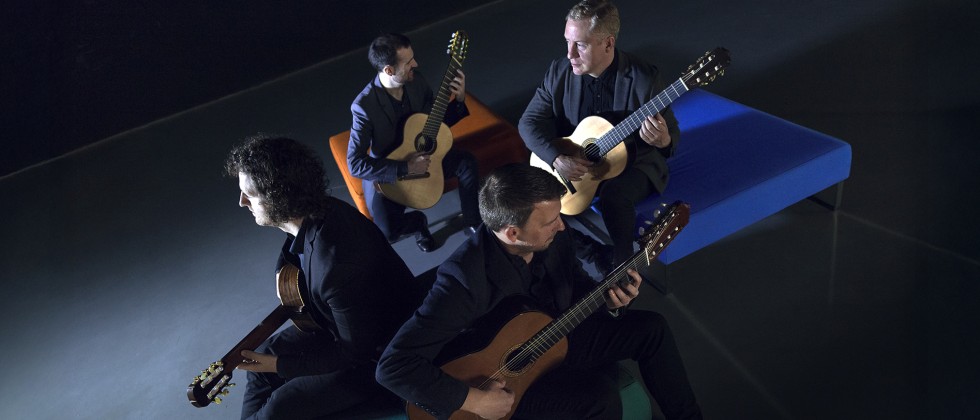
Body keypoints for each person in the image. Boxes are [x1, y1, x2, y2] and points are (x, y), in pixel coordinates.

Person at [376, 163, 702, 419]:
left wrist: (613, 302)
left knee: (652, 328)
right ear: (513, 232)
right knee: (599, 400)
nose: (561, 226)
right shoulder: (463, 281)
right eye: (550, 221)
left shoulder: (554, 235)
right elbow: (393, 367)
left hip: (558, 334)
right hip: (507, 382)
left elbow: (576, 285)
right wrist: (477, 401)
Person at [226, 134, 423, 419]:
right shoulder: (320, 209)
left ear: (278, 196)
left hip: (379, 356)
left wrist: (280, 365)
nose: (242, 202)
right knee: (261, 364)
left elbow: (354, 352)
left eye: (250, 193)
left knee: (278, 409)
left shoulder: (337, 265)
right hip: (336, 326)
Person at [519, 0, 681, 268]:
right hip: (577, 162)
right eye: (567, 42)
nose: (570, 54)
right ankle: (590, 251)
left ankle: (621, 266)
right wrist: (557, 158)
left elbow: (671, 138)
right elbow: (528, 122)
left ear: (608, 43)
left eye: (580, 45)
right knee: (526, 201)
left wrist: (662, 139)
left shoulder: (643, 78)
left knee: (613, 197)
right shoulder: (559, 71)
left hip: (634, 164)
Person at [348, 32, 481, 253]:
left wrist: (459, 100)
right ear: (389, 70)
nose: (416, 64)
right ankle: (419, 224)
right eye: (408, 62)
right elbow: (355, 164)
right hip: (392, 169)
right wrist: (406, 167)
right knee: (387, 232)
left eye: (413, 58)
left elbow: (432, 123)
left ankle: (472, 221)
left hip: (424, 156)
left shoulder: (416, 81)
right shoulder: (364, 106)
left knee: (467, 163)